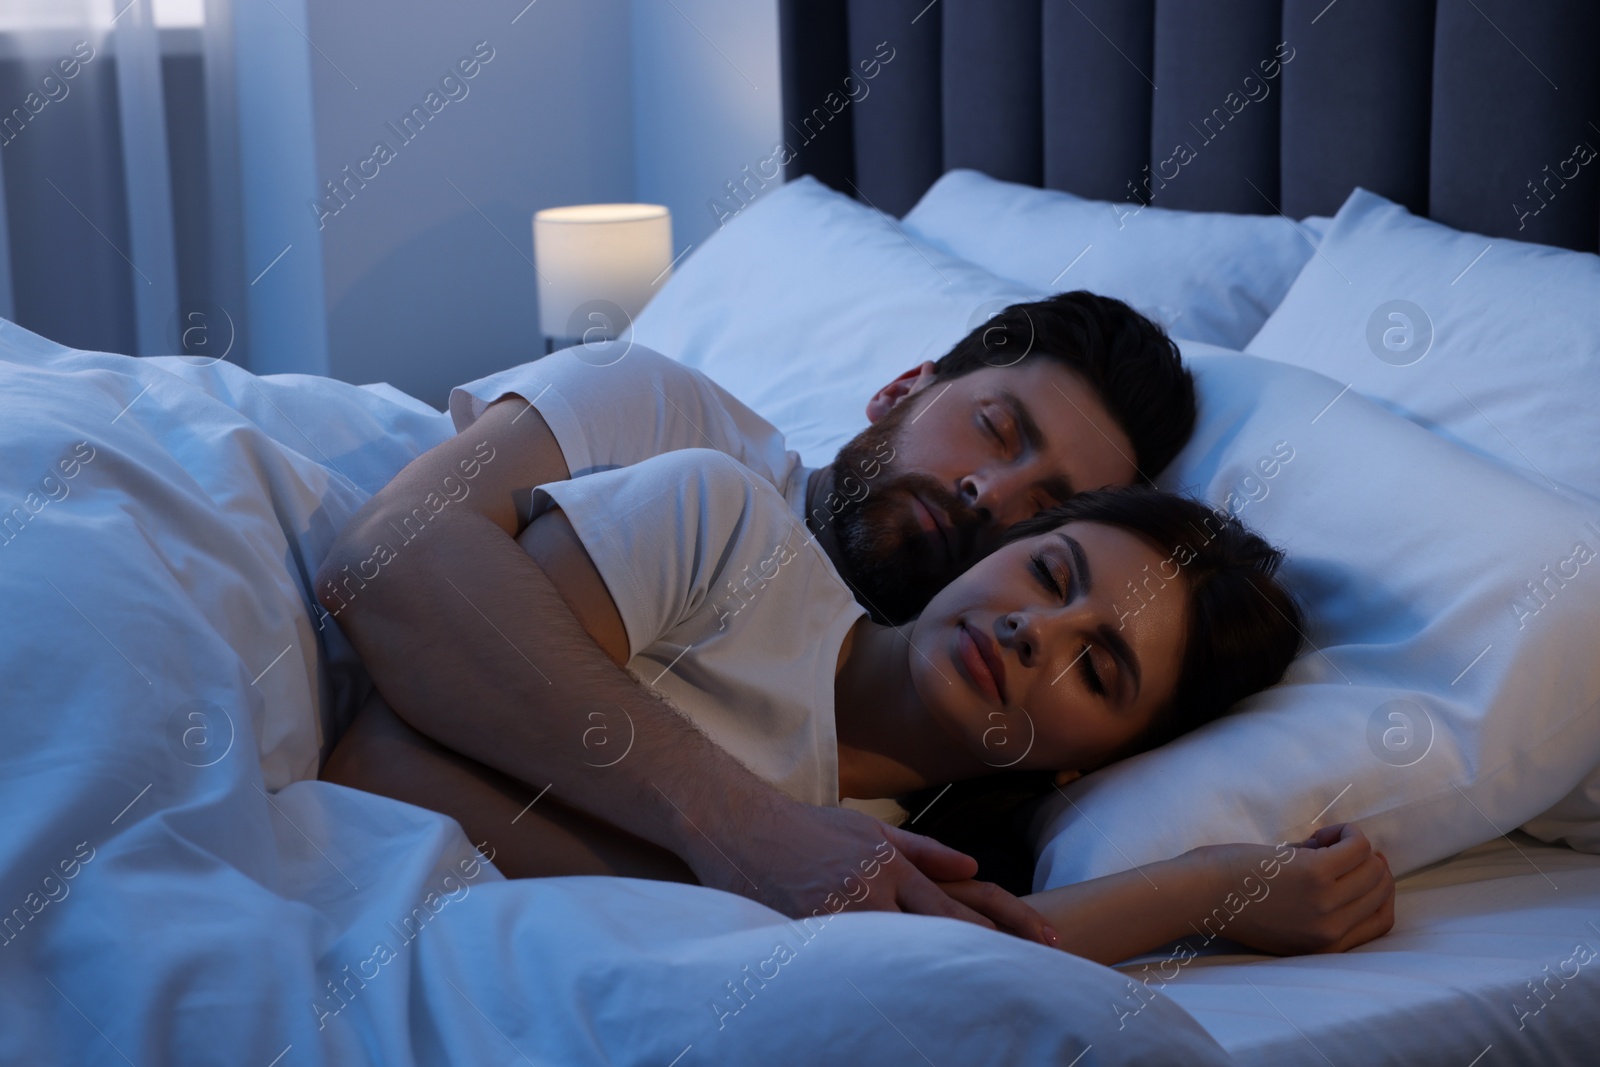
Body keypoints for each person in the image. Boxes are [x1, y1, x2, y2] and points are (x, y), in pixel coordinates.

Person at [314, 291, 1198, 937]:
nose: (986, 490)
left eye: (1043, 506)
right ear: (902, 388)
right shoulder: (674, 423)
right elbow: (389, 553)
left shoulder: (922, 748)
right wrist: (745, 833)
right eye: (996, 430)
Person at [322, 450, 1395, 965]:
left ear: (1091, 766)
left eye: (1098, 668)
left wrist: (1210, 886)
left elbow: (984, 954)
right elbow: (377, 763)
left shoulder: (897, 869)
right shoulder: (725, 532)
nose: (1035, 631)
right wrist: (747, 850)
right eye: (1049, 573)